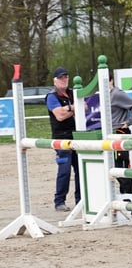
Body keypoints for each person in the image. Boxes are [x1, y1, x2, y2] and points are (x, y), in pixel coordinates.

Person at [46, 66, 80, 211]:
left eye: (66, 77)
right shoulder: (51, 96)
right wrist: (74, 108)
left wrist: (67, 109)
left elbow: (83, 108)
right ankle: (59, 201)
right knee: (64, 170)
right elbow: (59, 116)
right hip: (61, 139)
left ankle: (80, 200)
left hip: (77, 137)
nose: (64, 80)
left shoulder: (73, 93)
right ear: (55, 81)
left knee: (80, 169)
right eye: (61, 77)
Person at [108, 74, 132, 197]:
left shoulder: (117, 94)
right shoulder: (106, 96)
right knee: (114, 164)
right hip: (112, 133)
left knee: (120, 164)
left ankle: (129, 192)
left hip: (119, 132)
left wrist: (129, 122)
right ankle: (125, 192)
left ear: (111, 80)